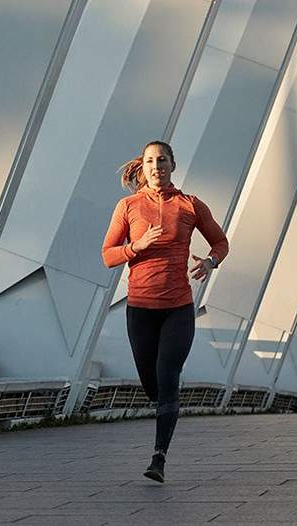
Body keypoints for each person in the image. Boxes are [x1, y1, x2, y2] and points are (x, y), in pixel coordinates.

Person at [101, 140, 228, 483]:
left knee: (168, 374)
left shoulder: (190, 205)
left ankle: (158, 457)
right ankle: (166, 405)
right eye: (150, 161)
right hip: (140, 308)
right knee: (152, 382)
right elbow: (108, 255)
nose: (157, 166)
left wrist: (210, 261)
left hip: (178, 308)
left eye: (162, 160)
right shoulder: (127, 206)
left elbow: (221, 242)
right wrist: (136, 247)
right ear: (142, 167)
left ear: (173, 165)